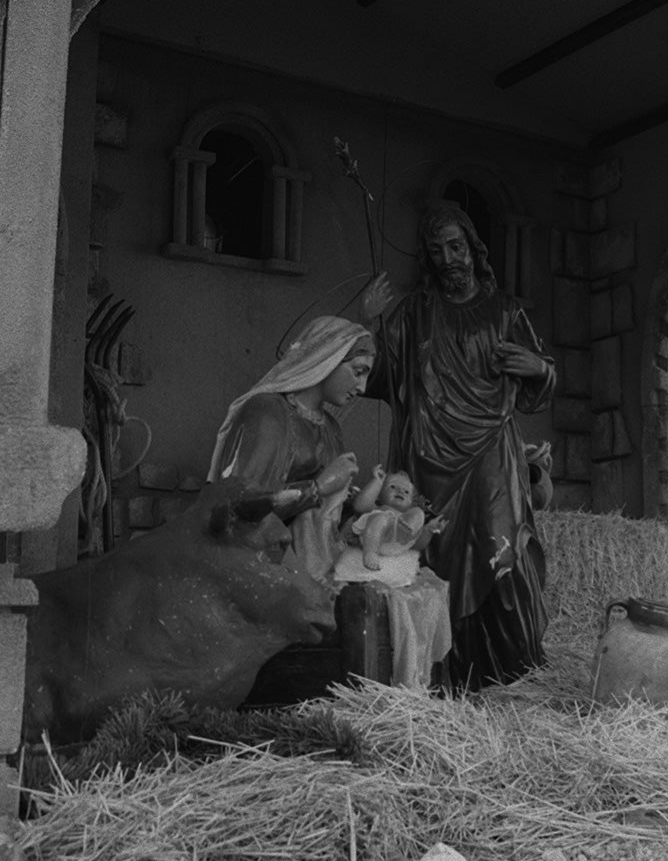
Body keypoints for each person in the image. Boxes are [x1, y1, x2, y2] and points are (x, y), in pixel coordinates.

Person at [361, 201, 555, 690]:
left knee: (501, 551)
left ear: (473, 248)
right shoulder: (414, 312)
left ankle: (512, 673)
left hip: (491, 451)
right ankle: (444, 675)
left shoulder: (506, 311)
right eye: (437, 250)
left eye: (456, 246)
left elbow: (539, 382)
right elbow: (376, 377)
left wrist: (541, 368)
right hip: (427, 455)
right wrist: (371, 324)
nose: (448, 258)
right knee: (434, 558)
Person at [207, 315, 372, 582]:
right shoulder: (267, 411)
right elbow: (235, 510)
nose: (363, 387)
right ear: (326, 358)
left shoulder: (330, 426)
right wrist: (317, 488)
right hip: (264, 565)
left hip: (317, 557)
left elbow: (328, 514)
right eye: (358, 371)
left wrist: (357, 503)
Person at [351, 468, 446, 569]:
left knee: (419, 513)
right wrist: (377, 482)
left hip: (399, 541)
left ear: (411, 502)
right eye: (392, 487)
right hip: (374, 537)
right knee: (381, 518)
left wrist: (429, 530)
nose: (400, 491)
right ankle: (371, 552)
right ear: (379, 495)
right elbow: (360, 506)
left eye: (406, 491)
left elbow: (416, 547)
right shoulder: (377, 508)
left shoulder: (408, 514)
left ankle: (406, 532)